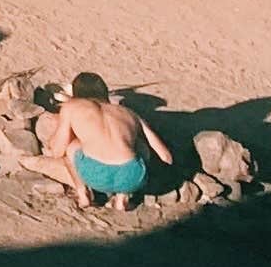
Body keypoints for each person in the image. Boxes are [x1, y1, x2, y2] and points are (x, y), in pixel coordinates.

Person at [19, 72, 174, 209]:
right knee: (140, 146)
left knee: (72, 146)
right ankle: (122, 199)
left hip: (94, 175)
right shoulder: (129, 113)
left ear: (76, 93)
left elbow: (58, 151)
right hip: (132, 177)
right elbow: (166, 157)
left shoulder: (71, 107)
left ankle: (83, 194)